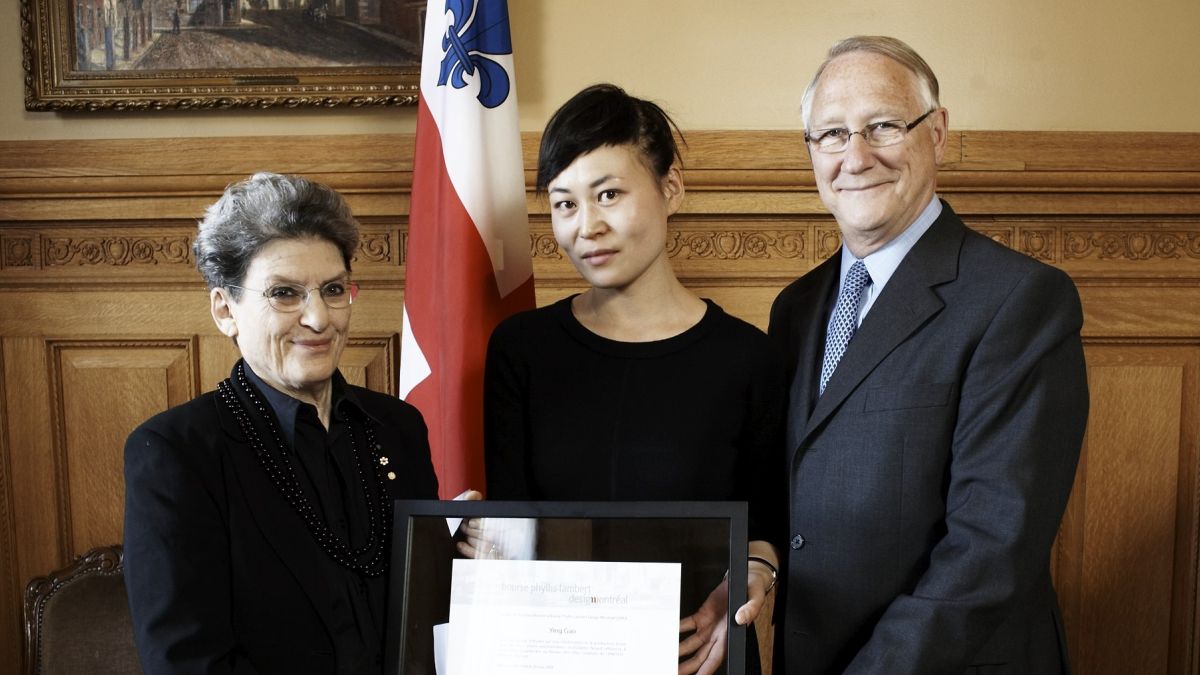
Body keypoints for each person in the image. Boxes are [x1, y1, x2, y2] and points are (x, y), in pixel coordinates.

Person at [768, 36, 1089, 674]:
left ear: (937, 133)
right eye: (831, 133)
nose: (854, 157)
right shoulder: (795, 308)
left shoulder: (1021, 300)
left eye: (882, 126)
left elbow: (991, 549)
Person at [483, 83, 787, 675]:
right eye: (565, 203)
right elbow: (513, 526)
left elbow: (769, 524)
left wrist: (754, 573)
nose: (586, 226)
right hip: (551, 653)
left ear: (670, 188)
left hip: (697, 655)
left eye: (609, 194)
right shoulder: (521, 349)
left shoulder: (751, 358)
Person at [124, 172, 442, 674]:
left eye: (333, 289)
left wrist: (454, 551)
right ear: (225, 309)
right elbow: (186, 663)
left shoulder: (399, 428)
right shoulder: (175, 452)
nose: (319, 318)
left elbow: (424, 620)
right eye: (285, 293)